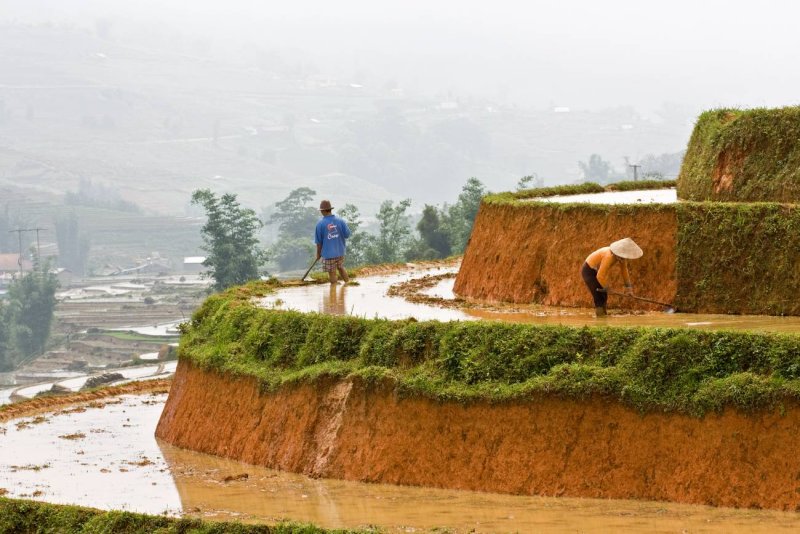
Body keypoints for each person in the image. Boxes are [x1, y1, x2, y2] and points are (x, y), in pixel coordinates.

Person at [580, 237, 643, 317]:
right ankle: (600, 317)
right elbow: (600, 275)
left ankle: (602, 315)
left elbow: (624, 272)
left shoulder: (621, 258)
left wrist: (629, 289)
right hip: (588, 270)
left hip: (596, 271)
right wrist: (606, 288)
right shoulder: (609, 256)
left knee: (604, 295)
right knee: (599, 296)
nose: (624, 259)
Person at [315, 199, 351, 284]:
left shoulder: (320, 224)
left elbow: (318, 243)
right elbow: (347, 235)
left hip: (328, 254)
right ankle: (348, 284)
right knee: (341, 268)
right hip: (340, 252)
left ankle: (333, 294)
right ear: (330, 209)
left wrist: (318, 254)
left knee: (332, 273)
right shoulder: (341, 221)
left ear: (323, 211)